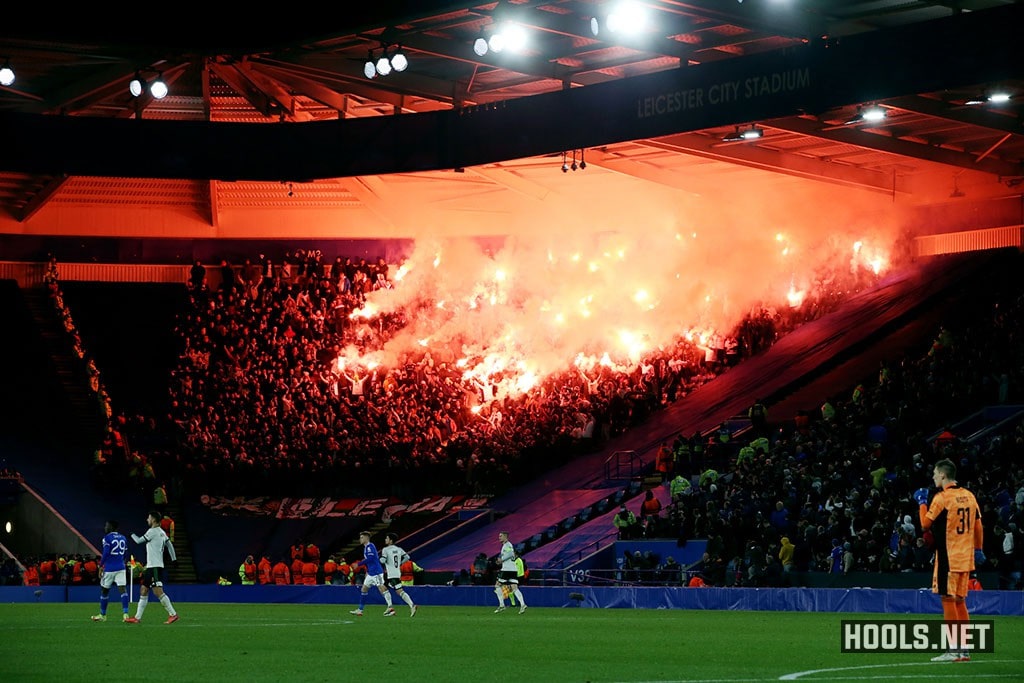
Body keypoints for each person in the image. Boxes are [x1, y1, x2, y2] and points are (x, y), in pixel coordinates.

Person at [918, 458, 984, 663]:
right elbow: (978, 525)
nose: (933, 477)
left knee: (947, 601)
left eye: (935, 474)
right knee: (960, 601)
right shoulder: (969, 495)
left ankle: (953, 649)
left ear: (943, 475)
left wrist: (921, 502)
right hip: (966, 557)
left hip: (948, 557)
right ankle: (964, 650)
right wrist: (978, 549)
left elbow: (924, 524)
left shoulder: (942, 498)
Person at [125, 511, 179, 625]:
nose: (147, 520)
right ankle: (137, 618)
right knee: (144, 589)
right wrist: (174, 559)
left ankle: (173, 614)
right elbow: (170, 545)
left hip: (154, 566)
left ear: (153, 520)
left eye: (148, 518)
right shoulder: (162, 532)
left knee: (157, 591)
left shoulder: (152, 531)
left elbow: (139, 541)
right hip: (152, 566)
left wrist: (131, 534)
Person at [91, 520, 130, 622]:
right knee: (123, 590)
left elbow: (106, 553)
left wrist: (100, 566)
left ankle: (103, 615)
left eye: (106, 526)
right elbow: (125, 554)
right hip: (121, 567)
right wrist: (122, 562)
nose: (105, 527)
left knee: (104, 591)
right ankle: (125, 614)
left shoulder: (107, 538)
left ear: (112, 527)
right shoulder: (123, 538)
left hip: (109, 569)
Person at [349, 531, 393, 616]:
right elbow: (370, 561)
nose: (360, 539)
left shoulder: (370, 546)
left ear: (366, 538)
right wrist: (367, 571)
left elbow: (371, 558)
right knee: (364, 589)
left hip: (376, 572)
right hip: (371, 572)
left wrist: (358, 564)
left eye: (362, 537)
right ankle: (360, 610)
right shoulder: (366, 547)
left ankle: (390, 607)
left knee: (381, 588)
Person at [380, 533, 417, 616]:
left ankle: (412, 605)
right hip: (396, 573)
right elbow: (407, 557)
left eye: (387, 538)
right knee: (384, 587)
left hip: (391, 574)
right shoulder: (399, 549)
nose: (385, 540)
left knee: (399, 591)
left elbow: (383, 560)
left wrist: (380, 559)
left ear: (391, 540)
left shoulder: (386, 549)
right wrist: (400, 563)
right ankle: (390, 607)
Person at [493, 531, 526, 615]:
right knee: (514, 587)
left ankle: (501, 605)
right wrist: (501, 560)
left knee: (497, 585)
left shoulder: (507, 545)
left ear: (505, 537)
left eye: (500, 536)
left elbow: (511, 553)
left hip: (507, 570)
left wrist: (502, 560)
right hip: (513, 569)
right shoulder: (506, 545)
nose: (499, 537)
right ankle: (522, 604)